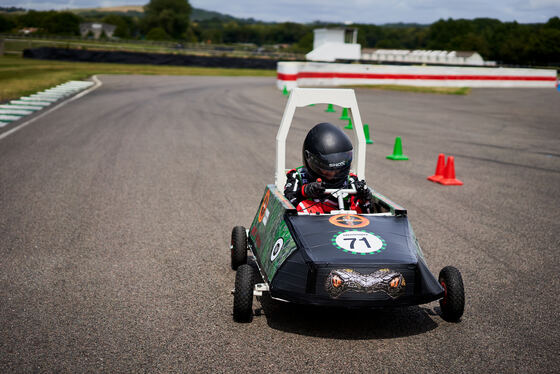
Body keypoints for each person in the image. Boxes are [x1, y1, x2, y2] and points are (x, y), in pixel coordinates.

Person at [284, 122, 378, 214]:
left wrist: (365, 196)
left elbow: (367, 212)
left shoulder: (351, 180)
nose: (332, 174)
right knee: (304, 206)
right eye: (327, 170)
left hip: (347, 226)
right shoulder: (297, 176)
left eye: (337, 170)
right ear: (312, 160)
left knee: (357, 202)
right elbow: (288, 200)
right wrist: (305, 191)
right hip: (312, 226)